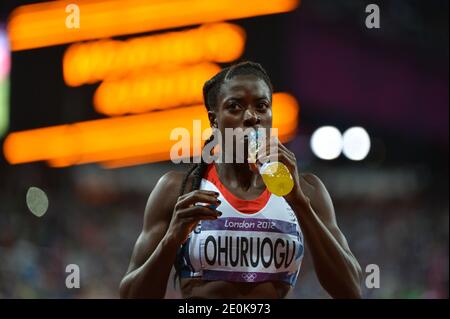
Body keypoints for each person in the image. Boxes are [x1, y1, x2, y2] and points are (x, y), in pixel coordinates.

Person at [119, 61, 362, 299]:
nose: (251, 117)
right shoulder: (179, 190)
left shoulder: (307, 191)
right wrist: (172, 240)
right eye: (235, 107)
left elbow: (350, 290)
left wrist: (300, 203)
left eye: (261, 106)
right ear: (214, 121)